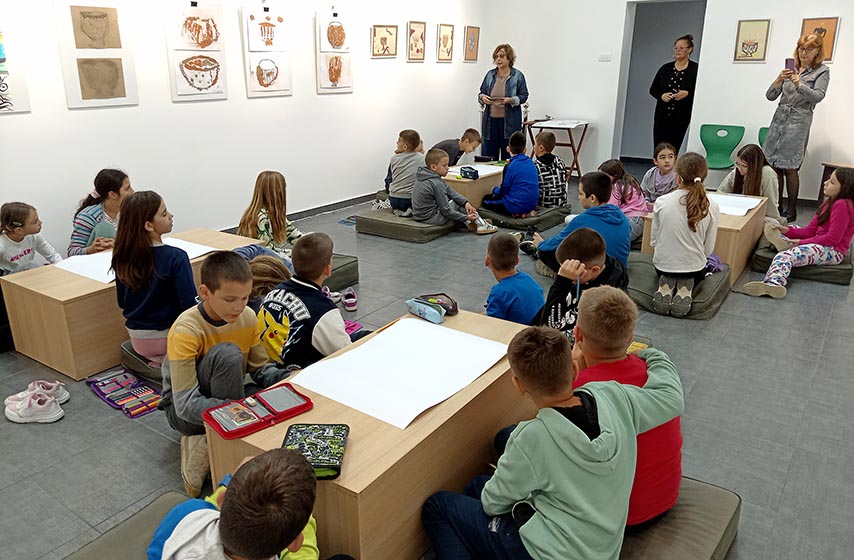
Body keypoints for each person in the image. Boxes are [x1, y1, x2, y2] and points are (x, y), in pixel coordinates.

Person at [422, 302, 684, 560]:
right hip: (602, 547)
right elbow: (669, 399)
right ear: (574, 369)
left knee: (438, 506)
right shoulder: (614, 395)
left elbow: (492, 503)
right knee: (475, 485)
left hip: (547, 551)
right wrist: (653, 355)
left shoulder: (531, 438)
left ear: (519, 385)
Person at [159, 251, 290, 497]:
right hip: (183, 412)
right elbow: (185, 405)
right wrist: (241, 409)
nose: (238, 306)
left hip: (226, 398)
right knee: (228, 355)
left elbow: (261, 369)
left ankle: (211, 439)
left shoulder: (248, 317)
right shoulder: (186, 328)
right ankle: (212, 439)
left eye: (245, 298)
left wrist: (288, 379)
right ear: (205, 292)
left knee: (274, 398)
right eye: (230, 299)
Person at [570, 293, 682, 530]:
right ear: (630, 338)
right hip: (665, 497)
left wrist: (575, 374)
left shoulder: (576, 390)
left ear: (577, 335)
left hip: (620, 516)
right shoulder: (654, 374)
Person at [148, 448, 354, 560]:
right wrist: (300, 520)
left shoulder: (188, 514)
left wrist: (233, 482)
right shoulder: (295, 544)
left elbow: (155, 553)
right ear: (294, 543)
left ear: (221, 499)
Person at [112, 191, 197, 367]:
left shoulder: (121, 256)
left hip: (138, 340)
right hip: (168, 338)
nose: (171, 215)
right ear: (149, 225)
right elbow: (190, 305)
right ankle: (170, 362)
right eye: (164, 214)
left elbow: (122, 302)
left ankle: (159, 361)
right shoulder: (176, 257)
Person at [744, 167, 854, 299]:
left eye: (832, 182)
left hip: (832, 251)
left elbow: (832, 239)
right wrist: (787, 231)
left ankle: (773, 283)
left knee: (784, 256)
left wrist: (801, 242)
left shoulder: (842, 205)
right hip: (822, 242)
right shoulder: (828, 203)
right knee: (792, 228)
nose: (825, 183)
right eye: (828, 179)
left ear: (844, 188)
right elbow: (810, 230)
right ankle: (783, 243)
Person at [258, 233, 352, 371]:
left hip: (269, 368)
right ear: (327, 269)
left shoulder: (274, 291)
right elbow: (346, 355)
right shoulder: (325, 311)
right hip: (300, 373)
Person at [764, 33, 830, 223]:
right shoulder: (791, 68)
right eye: (801, 48)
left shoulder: (822, 71)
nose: (804, 52)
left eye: (809, 49)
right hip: (779, 120)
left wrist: (798, 83)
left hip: (799, 120)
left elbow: (818, 96)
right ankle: (777, 207)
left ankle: (792, 209)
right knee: (774, 166)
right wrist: (779, 79)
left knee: (790, 168)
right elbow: (770, 96)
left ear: (817, 51)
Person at [651, 152, 720, 318]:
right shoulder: (711, 205)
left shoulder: (662, 201)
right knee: (702, 264)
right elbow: (708, 249)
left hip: (662, 266)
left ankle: (667, 283)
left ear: (678, 178)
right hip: (694, 269)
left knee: (669, 266)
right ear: (704, 178)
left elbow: (653, 240)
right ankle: (684, 287)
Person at [522, 171, 631, 276]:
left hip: (596, 275)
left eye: (581, 193)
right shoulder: (621, 215)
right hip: (619, 271)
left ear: (592, 198)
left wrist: (540, 244)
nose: (578, 197)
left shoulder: (582, 220)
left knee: (547, 253)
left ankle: (539, 255)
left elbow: (557, 242)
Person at [534, 228, 628, 344]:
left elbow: (548, 334)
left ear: (594, 270)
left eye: (573, 270)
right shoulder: (588, 273)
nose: (567, 273)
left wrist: (561, 283)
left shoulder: (605, 301)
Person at [411, 148, 497, 234]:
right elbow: (446, 211)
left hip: (421, 216)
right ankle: (480, 224)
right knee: (455, 203)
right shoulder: (436, 184)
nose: (447, 168)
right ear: (433, 167)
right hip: (430, 218)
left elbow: (450, 191)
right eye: (444, 165)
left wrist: (466, 203)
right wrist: (466, 217)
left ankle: (472, 223)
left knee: (459, 201)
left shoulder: (426, 176)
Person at [478, 44, 529, 161]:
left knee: (509, 156)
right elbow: (481, 93)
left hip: (510, 123)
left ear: (509, 58)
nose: (498, 59)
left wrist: (511, 100)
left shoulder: (517, 76)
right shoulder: (490, 75)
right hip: (490, 122)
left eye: (502, 56)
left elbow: (524, 96)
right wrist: (483, 98)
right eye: (496, 57)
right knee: (489, 156)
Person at [237, 170, 305, 258]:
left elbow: (292, 233)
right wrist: (297, 253)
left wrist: (312, 243)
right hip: (257, 260)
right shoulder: (261, 218)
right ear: (277, 191)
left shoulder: (273, 213)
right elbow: (267, 252)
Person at [649, 34, 699, 153]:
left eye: (681, 48)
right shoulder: (665, 68)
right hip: (662, 115)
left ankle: (673, 165)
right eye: (676, 48)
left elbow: (700, 91)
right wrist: (662, 96)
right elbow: (653, 89)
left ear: (689, 49)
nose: (677, 50)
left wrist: (687, 94)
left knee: (674, 146)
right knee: (659, 146)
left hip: (681, 115)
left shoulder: (695, 69)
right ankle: (658, 165)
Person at [68, 168, 134, 256]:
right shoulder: (88, 215)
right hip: (97, 261)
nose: (133, 192)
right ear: (112, 194)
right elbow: (72, 252)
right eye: (127, 188)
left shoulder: (131, 211)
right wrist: (90, 250)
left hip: (125, 260)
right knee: (105, 229)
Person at [485, 233, 544, 325]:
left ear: (487, 260)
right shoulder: (528, 279)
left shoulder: (499, 292)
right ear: (517, 260)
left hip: (523, 331)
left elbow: (492, 323)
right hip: (540, 327)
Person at [718, 144, 783, 223]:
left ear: (755, 165)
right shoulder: (737, 171)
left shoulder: (767, 174)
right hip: (739, 212)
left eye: (744, 166)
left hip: (760, 215)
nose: (740, 169)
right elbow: (721, 193)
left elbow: (771, 205)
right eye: (738, 164)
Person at [481, 131, 539, 217]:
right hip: (532, 204)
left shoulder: (510, 166)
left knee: (485, 201)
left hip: (514, 205)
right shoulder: (531, 162)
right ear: (525, 149)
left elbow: (503, 191)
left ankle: (516, 213)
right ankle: (525, 212)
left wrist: (494, 189)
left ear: (508, 149)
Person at [0, 202, 62, 275]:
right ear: (19, 230)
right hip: (7, 278)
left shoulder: (34, 236)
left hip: (26, 275)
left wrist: (65, 270)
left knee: (43, 266)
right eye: (35, 221)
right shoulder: (2, 245)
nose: (40, 222)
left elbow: (53, 256)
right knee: (32, 265)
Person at [601, 159, 647, 242]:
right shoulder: (630, 181)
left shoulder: (616, 187)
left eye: (604, 176)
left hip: (630, 221)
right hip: (639, 220)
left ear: (614, 175)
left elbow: (610, 210)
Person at [387, 129, 425, 216]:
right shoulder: (421, 158)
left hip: (393, 198)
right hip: (409, 199)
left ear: (405, 147)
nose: (397, 142)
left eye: (399, 140)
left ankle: (397, 209)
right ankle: (411, 209)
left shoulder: (393, 159)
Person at [533, 131, 568, 208]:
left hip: (543, 207)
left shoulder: (535, 166)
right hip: (561, 206)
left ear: (541, 148)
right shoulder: (560, 162)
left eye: (535, 144)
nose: (534, 147)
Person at [641, 142, 678, 210]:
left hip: (667, 208)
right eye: (662, 157)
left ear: (675, 159)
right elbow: (642, 191)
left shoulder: (678, 177)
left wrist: (657, 205)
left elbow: (676, 198)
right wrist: (647, 202)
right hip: (648, 206)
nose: (667, 161)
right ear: (655, 161)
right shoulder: (650, 173)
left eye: (670, 157)